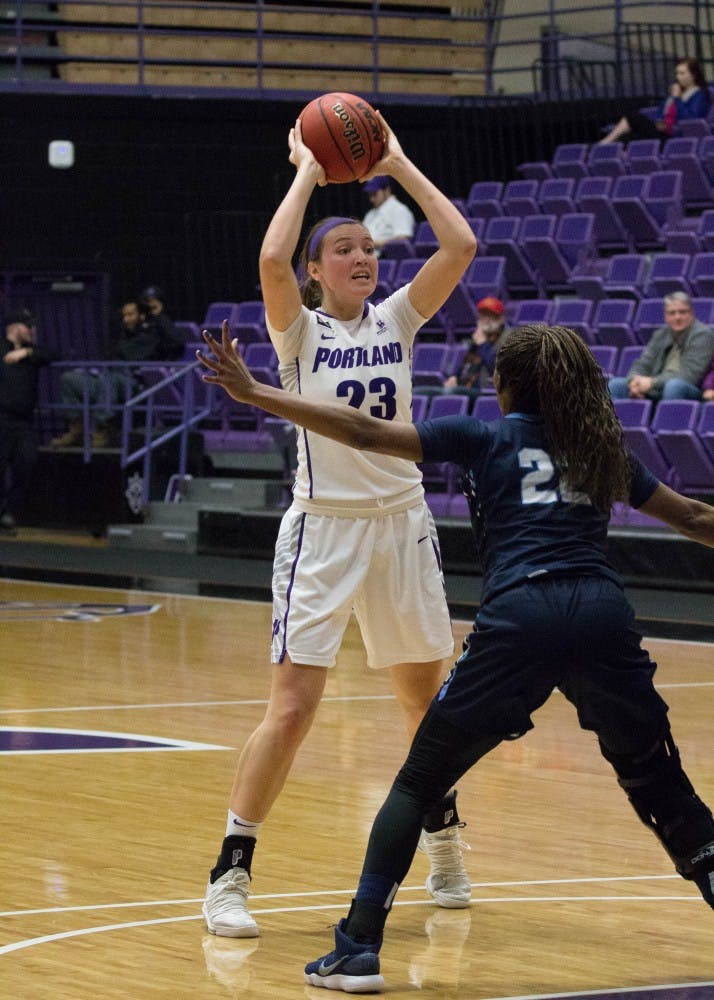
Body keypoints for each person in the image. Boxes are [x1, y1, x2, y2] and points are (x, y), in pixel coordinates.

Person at [199, 320, 714, 993]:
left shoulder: (485, 435)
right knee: (660, 784)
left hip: (520, 619)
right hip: (601, 614)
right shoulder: (602, 445)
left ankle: (357, 948)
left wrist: (258, 392)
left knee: (418, 782)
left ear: (503, 386)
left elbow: (362, 432)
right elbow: (699, 521)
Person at [200, 111, 477, 939]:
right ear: (319, 271)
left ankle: (445, 841)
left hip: (401, 524)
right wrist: (306, 172)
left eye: (369, 248)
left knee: (427, 706)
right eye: (345, 249)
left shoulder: (396, 319)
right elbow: (268, 257)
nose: (363, 256)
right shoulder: (300, 332)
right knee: (293, 708)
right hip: (323, 531)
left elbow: (458, 245)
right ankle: (230, 874)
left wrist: (396, 161)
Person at [50, 297, 186, 448]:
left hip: (136, 384)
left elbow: (178, 342)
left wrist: (159, 315)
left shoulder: (154, 335)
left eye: (130, 315)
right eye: (124, 315)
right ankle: (76, 431)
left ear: (141, 316)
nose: (126, 319)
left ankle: (102, 429)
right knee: (69, 379)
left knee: (112, 379)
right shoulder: (122, 336)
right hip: (107, 381)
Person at [0, 308, 53, 534]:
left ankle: (9, 510)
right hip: (1, 418)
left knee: (27, 463)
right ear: (14, 328)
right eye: (27, 326)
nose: (31, 330)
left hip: (23, 421)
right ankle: (3, 515)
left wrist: (26, 353)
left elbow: (52, 355)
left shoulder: (32, 354)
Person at [608, 292, 714, 402]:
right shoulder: (660, 334)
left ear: (691, 313)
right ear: (665, 316)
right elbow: (643, 364)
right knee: (615, 385)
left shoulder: (703, 335)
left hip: (687, 389)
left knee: (674, 386)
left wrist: (652, 383)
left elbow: (689, 376)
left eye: (682, 312)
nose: (677, 317)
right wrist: (634, 382)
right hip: (657, 385)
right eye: (672, 313)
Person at [600, 58, 711, 144]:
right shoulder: (675, 92)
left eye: (682, 73)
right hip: (662, 131)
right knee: (626, 138)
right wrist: (659, 122)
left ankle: (603, 144)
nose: (678, 77)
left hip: (675, 136)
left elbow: (690, 120)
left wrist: (677, 99)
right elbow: (660, 113)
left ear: (693, 75)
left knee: (634, 118)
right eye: (677, 73)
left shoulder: (700, 95)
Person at [440, 296, 507, 399]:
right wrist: (454, 377)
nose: (486, 320)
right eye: (483, 315)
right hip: (465, 386)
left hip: (486, 390)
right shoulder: (479, 336)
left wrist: (483, 344)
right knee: (421, 392)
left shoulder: (506, 338)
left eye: (491, 316)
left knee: (451, 392)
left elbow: (494, 369)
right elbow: (466, 362)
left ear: (500, 318)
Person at [362, 175, 416, 254]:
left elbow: (402, 240)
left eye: (374, 194)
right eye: (369, 194)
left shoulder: (399, 210)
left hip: (384, 258)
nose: (371, 199)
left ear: (387, 190)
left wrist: (372, 244)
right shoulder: (370, 214)